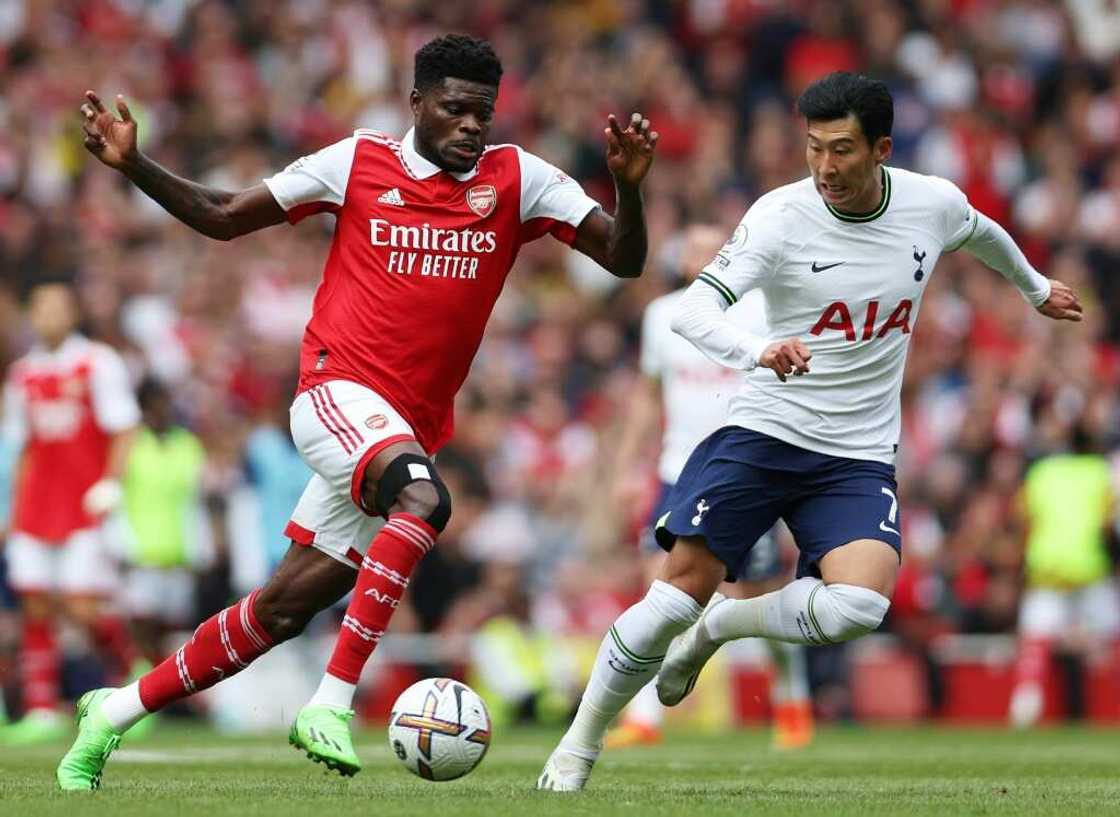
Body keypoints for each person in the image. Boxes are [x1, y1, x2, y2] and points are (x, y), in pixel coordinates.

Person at [60, 33, 658, 790]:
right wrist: (134, 165)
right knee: (425, 499)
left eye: (483, 112)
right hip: (335, 394)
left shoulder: (519, 179)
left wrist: (629, 188)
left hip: (401, 430)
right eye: (454, 109)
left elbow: (623, 258)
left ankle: (111, 713)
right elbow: (222, 213)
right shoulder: (356, 162)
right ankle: (332, 703)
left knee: (281, 609)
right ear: (416, 104)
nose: (472, 125)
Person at [537, 71, 1083, 791]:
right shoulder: (778, 218)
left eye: (843, 150)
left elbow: (983, 233)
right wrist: (756, 350)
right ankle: (576, 748)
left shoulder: (931, 204)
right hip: (765, 431)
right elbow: (691, 314)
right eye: (814, 148)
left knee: (861, 603)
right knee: (673, 596)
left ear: (882, 148)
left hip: (855, 450)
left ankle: (725, 629)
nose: (825, 166)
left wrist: (1035, 287)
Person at [604, 225, 812, 751]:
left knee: (754, 598)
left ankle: (791, 698)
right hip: (678, 472)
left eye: (711, 248)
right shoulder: (663, 316)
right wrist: (631, 466)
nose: (701, 257)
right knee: (660, 589)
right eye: (692, 248)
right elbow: (649, 397)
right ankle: (646, 716)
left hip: (743, 470)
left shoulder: (760, 312)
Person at [0, 279, 141, 746]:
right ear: (32, 315)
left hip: (83, 503)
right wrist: (13, 510)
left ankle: (134, 679)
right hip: (38, 504)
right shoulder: (22, 374)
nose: (49, 317)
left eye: (57, 308)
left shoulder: (97, 362)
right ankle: (42, 709)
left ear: (72, 313)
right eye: (40, 309)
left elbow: (123, 427)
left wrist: (110, 484)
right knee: (35, 602)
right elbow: (22, 448)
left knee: (81, 605)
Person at [1008, 423, 1118, 728]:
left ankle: (1024, 708)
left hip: (1048, 566)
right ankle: (1106, 708)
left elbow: (1022, 517)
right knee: (1108, 635)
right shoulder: (1101, 471)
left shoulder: (1042, 471)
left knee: (1036, 639)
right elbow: (1110, 522)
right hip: (1088, 566)